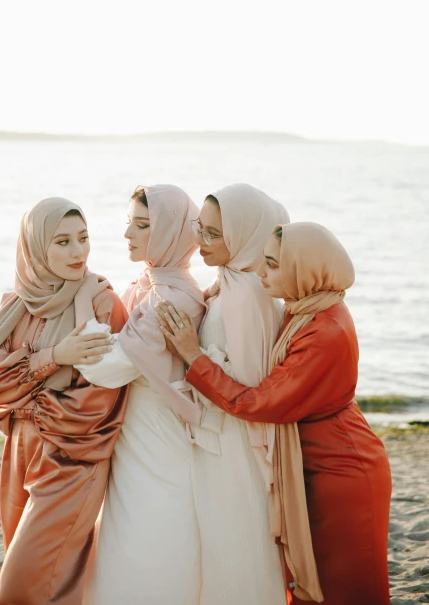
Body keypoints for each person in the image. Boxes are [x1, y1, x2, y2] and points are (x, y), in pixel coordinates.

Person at [159, 221, 392, 605]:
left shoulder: (325, 331)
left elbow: (259, 403)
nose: (261, 272)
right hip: (319, 461)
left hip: (343, 470)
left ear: (302, 269)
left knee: (347, 585)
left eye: (272, 265)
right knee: (316, 580)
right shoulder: (309, 307)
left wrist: (192, 356)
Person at [0, 197, 129, 605]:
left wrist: (31, 388)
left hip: (71, 455)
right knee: (43, 573)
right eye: (63, 241)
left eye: (83, 239)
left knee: (23, 582)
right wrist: (57, 357)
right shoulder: (12, 306)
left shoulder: (101, 300)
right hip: (18, 451)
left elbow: (101, 398)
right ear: (35, 247)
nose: (78, 252)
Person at [158, 183, 289, 605]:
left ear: (247, 235)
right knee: (221, 552)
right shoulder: (230, 285)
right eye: (202, 228)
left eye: (215, 233)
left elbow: (252, 390)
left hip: (235, 447)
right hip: (215, 443)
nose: (201, 240)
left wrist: (192, 354)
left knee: (239, 555)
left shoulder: (248, 293)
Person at [78, 185, 206, 605]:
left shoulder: (171, 297)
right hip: (139, 428)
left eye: (144, 225)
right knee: (129, 529)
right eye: (128, 222)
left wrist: (73, 332)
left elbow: (110, 368)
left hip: (155, 433)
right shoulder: (155, 285)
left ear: (171, 232)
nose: (128, 233)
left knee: (149, 530)